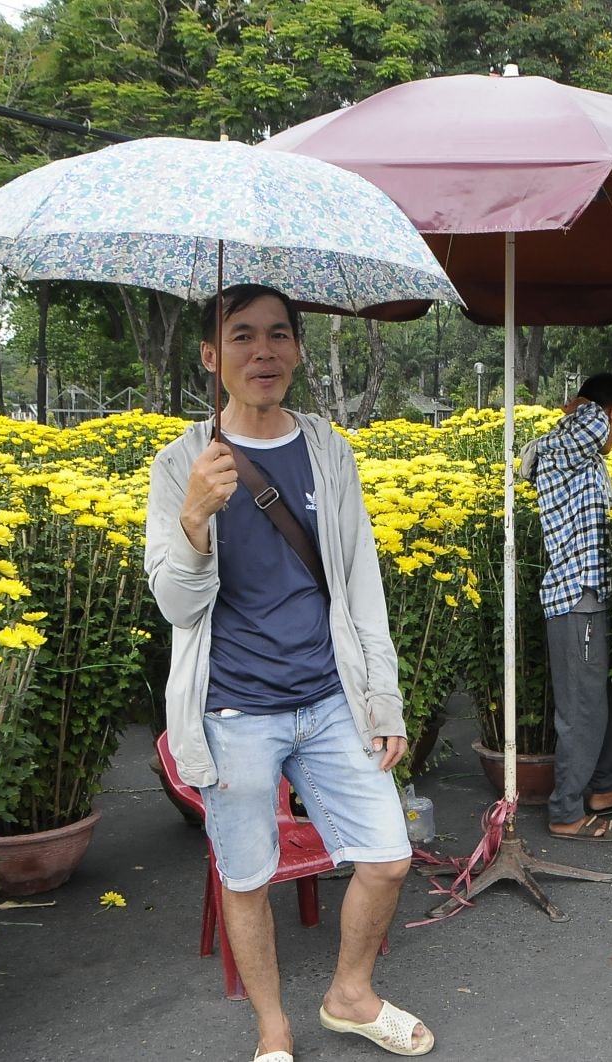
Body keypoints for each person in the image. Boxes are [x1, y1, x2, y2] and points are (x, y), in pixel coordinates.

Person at [145, 285, 432, 1061]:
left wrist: (385, 699)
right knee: (244, 875)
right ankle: (272, 1030)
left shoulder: (326, 449)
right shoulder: (181, 463)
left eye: (278, 335)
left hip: (331, 696)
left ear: (299, 350)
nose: (261, 351)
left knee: (388, 855)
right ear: (211, 357)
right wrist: (196, 518)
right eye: (241, 337)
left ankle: (349, 994)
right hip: (234, 711)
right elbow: (176, 604)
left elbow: (358, 578)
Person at [532, 373, 612, 842]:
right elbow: (589, 425)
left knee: (609, 704)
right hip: (574, 600)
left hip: (594, 600)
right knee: (582, 711)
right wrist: (587, 405)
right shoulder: (568, 444)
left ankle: (601, 790)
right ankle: (566, 812)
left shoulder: (584, 460)